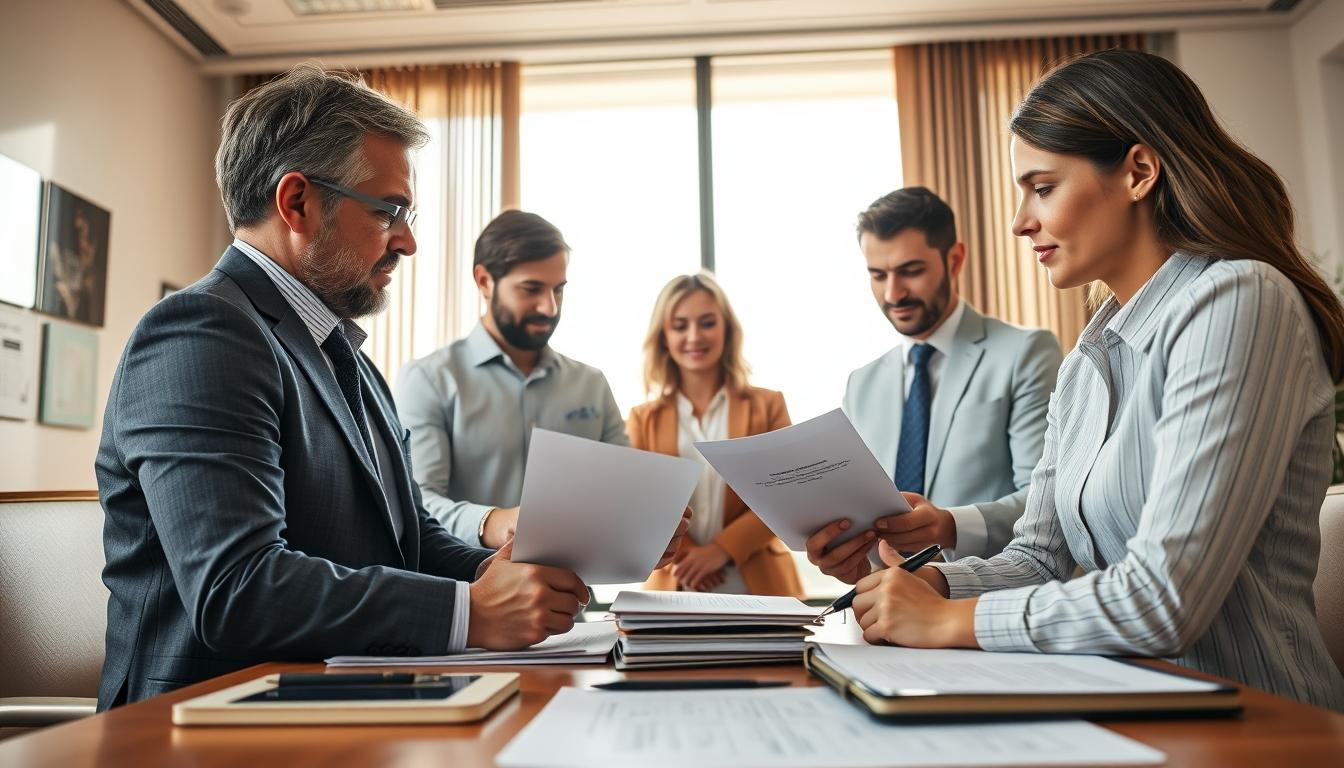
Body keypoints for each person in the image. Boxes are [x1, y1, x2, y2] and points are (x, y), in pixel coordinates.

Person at [94, 65, 686, 709]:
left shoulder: (345, 354)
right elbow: (238, 588)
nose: (407, 240)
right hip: (207, 726)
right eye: (390, 210)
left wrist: (495, 575)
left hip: (346, 703)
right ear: (297, 203)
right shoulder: (202, 332)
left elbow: (408, 538)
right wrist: (471, 609)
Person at [849, 49, 1344, 710]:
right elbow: (1039, 560)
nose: (1021, 220)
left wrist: (945, 621)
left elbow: (1165, 600)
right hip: (1126, 706)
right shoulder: (1088, 358)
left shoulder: (1240, 300)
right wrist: (935, 588)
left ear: (1139, 171)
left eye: (1043, 187)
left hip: (1261, 722)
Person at [805, 187, 1063, 583]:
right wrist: (848, 559)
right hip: (884, 613)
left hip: (986, 612)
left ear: (954, 259)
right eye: (878, 275)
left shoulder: (1025, 353)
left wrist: (949, 526)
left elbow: (1048, 501)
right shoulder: (862, 384)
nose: (894, 293)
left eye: (910, 270)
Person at [396, 211, 629, 548]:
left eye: (558, 290)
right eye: (531, 289)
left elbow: (621, 493)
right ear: (485, 281)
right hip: (472, 591)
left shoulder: (592, 384)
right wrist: (493, 522)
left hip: (574, 596)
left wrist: (649, 526)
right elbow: (419, 502)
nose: (549, 307)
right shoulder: (429, 380)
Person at [627, 273, 802, 597]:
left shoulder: (768, 405)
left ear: (727, 330)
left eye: (707, 323)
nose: (694, 336)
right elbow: (637, 503)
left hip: (761, 587)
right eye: (680, 325)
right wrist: (688, 555)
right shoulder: (642, 419)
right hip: (675, 584)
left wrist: (722, 550)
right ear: (664, 336)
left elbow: (788, 495)